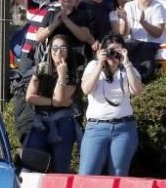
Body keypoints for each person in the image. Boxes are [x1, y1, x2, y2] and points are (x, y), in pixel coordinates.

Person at [78, 34, 143, 177]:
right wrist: (100, 64)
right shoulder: (93, 66)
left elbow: (138, 91)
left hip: (124, 128)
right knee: (87, 174)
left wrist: (126, 63)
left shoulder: (128, 69)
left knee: (118, 175)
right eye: (111, 51)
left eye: (118, 51)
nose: (114, 55)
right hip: (96, 128)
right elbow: (86, 89)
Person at [23, 34, 79, 173]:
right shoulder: (41, 68)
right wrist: (53, 102)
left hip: (62, 123)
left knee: (60, 167)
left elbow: (59, 99)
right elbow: (30, 97)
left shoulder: (73, 73)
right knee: (31, 165)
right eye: (54, 48)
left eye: (62, 48)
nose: (58, 52)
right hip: (40, 121)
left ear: (68, 51)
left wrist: (61, 76)